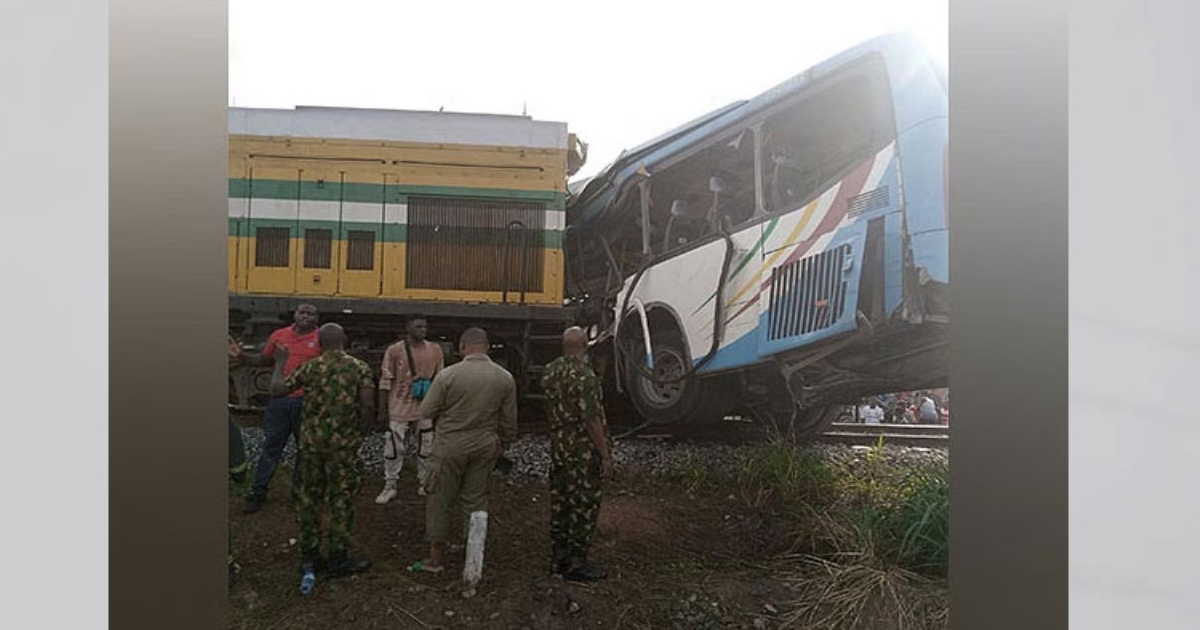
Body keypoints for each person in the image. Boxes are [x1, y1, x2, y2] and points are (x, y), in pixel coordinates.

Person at [269, 323, 376, 596]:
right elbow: (367, 405)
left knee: (310, 499)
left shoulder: (310, 368)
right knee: (341, 500)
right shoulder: (359, 368)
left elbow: (278, 389)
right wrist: (360, 435)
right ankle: (338, 557)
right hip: (343, 447)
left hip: (312, 446)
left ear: (318, 344)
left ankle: (310, 557)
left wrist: (280, 363)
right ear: (345, 340)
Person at [411, 327, 517, 590]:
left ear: (462, 346)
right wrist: (503, 444)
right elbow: (509, 422)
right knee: (476, 500)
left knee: (439, 499)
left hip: (450, 445)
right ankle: (472, 561)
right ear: (488, 347)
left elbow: (426, 410)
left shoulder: (448, 375)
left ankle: (435, 560)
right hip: (484, 445)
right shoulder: (504, 377)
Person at [231, 304, 321, 514]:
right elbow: (263, 360)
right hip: (279, 403)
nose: (305, 316)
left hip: (306, 402)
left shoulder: (321, 339)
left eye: (310, 313)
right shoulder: (279, 335)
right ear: (295, 314)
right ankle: (258, 492)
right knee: (271, 447)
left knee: (305, 450)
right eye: (302, 312)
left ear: (317, 318)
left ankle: (299, 494)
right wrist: (241, 356)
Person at [540, 326, 613, 581]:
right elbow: (591, 419)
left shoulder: (550, 371)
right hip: (581, 451)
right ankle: (577, 564)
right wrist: (604, 454)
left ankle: (557, 558)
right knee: (583, 505)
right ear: (584, 347)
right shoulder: (585, 376)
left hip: (559, 447)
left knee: (560, 502)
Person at [375, 314, 444, 503]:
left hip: (425, 408)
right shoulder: (394, 350)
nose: (423, 330)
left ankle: (424, 482)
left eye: (425, 327)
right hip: (399, 407)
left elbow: (440, 379)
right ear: (408, 328)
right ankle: (390, 484)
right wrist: (382, 409)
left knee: (426, 447)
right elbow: (386, 379)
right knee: (394, 448)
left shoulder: (435, 350)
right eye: (418, 326)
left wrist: (438, 407)